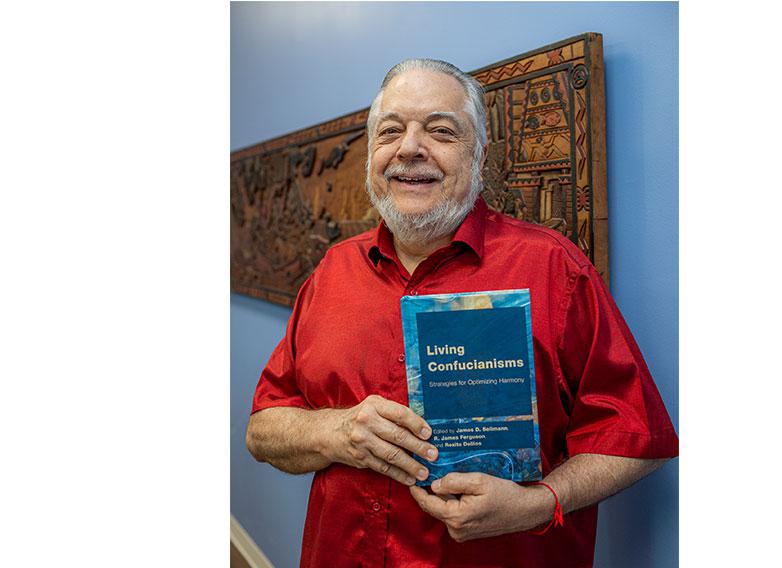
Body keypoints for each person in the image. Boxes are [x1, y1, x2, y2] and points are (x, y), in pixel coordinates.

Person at [246, 58, 679, 568]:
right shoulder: (331, 272)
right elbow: (262, 430)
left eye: (440, 130)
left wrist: (540, 503)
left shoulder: (552, 269)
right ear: (371, 155)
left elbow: (637, 437)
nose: (409, 148)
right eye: (391, 131)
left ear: (480, 154)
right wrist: (334, 432)